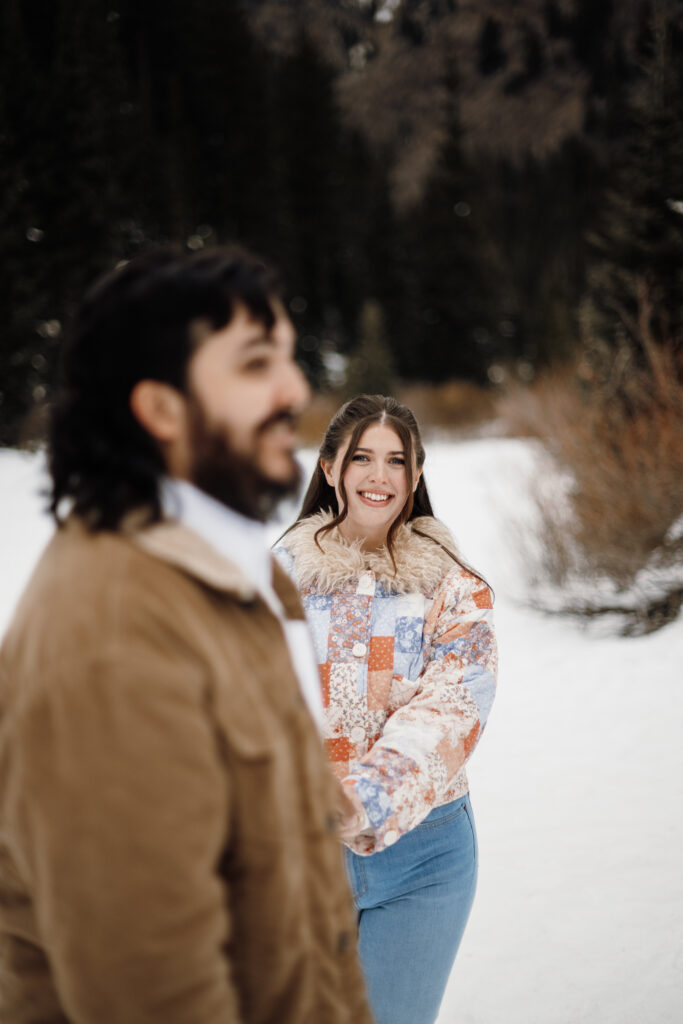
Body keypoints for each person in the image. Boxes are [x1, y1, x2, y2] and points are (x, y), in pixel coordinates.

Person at [0, 247, 374, 1024]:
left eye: (290, 359)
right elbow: (150, 987)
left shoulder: (241, 577)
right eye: (254, 364)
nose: (295, 390)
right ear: (161, 409)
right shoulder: (109, 634)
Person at [274, 393, 498, 1024]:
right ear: (329, 468)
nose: (380, 476)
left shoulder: (454, 585)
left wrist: (367, 795)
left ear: (416, 475)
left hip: (425, 858)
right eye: (362, 458)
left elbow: (454, 705)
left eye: (396, 461)